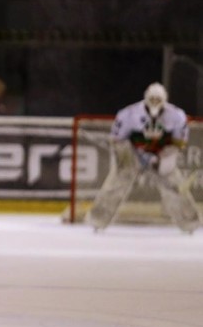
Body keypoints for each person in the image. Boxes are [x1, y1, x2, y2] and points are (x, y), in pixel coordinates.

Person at [86, 82, 200, 233]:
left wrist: (163, 161)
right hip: (132, 153)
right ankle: (97, 220)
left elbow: (178, 144)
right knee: (119, 182)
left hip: (161, 154)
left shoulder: (177, 116)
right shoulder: (128, 114)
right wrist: (133, 158)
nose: (154, 103)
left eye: (158, 99)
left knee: (174, 185)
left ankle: (189, 224)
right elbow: (117, 141)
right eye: (151, 99)